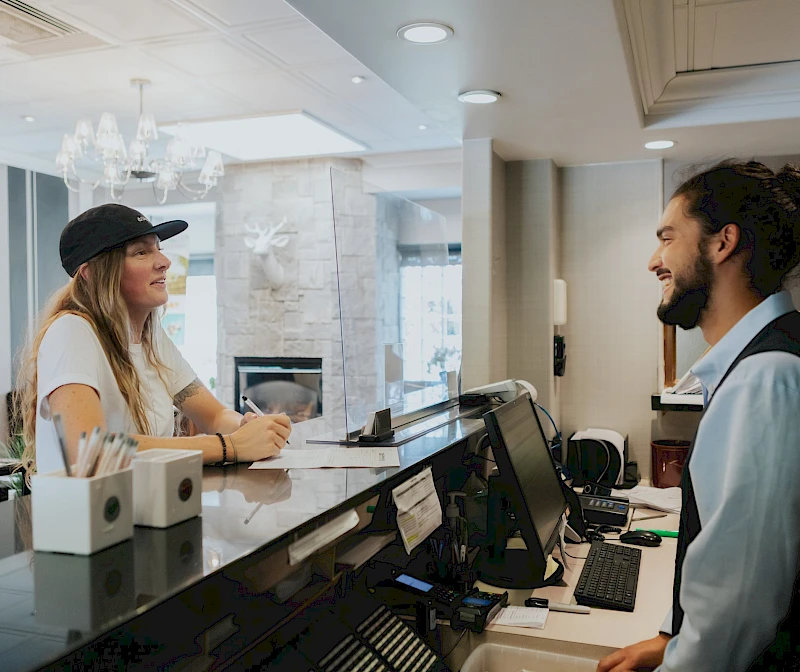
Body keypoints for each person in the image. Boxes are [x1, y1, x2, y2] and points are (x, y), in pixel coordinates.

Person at [597, 160, 800, 671]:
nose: (654, 262)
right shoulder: (762, 361)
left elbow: (739, 602)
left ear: (722, 243)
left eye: (668, 238)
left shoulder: (763, 378)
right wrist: (673, 640)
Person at [15, 204, 291, 476]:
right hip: (87, 507)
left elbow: (215, 416)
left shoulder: (153, 340)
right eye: (141, 252)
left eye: (158, 248)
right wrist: (228, 446)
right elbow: (90, 450)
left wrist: (247, 427)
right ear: (93, 273)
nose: (164, 262)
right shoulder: (71, 332)